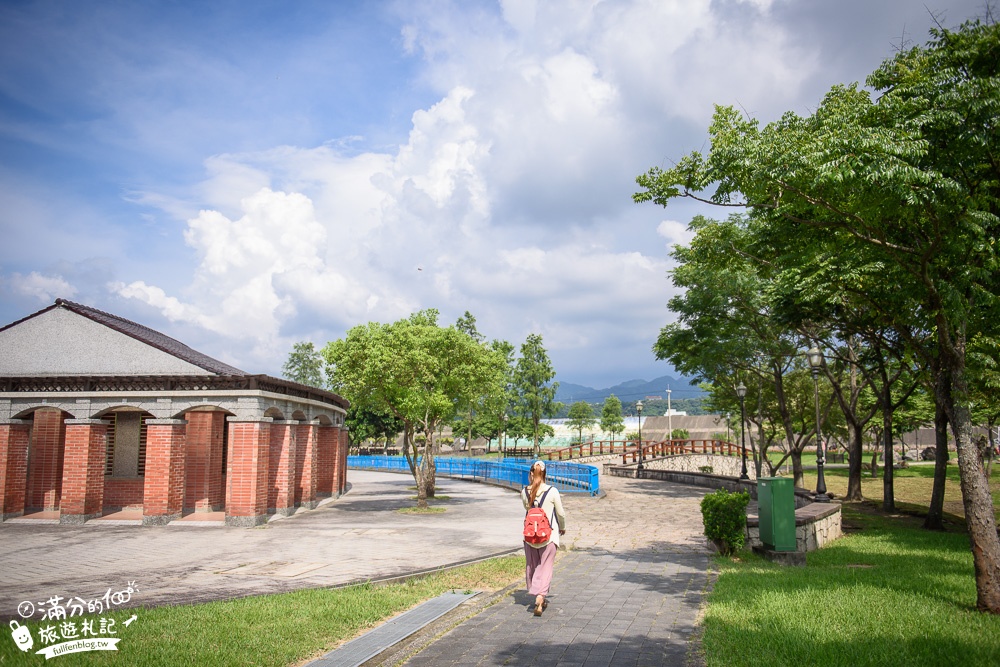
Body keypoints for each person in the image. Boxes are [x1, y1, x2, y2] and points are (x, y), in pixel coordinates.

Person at [521, 460, 566, 617]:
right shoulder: (552, 491)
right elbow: (560, 513)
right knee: (546, 566)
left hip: (530, 537)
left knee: (532, 565)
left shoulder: (524, 492)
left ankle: (536, 591)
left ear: (531, 474)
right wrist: (562, 527)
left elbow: (527, 511)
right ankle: (541, 596)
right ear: (545, 474)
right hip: (549, 536)